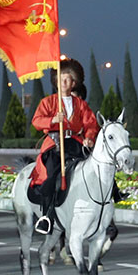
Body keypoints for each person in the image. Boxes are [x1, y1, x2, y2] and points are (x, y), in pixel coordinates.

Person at [29, 59, 99, 234]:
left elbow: (91, 124)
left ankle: (111, 197)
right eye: (60, 79)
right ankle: (47, 216)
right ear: (55, 82)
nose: (64, 83)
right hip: (54, 144)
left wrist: (89, 138)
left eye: (67, 79)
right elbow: (36, 121)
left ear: (73, 82)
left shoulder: (81, 104)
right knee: (52, 174)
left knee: (97, 165)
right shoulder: (48, 102)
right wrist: (52, 120)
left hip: (74, 142)